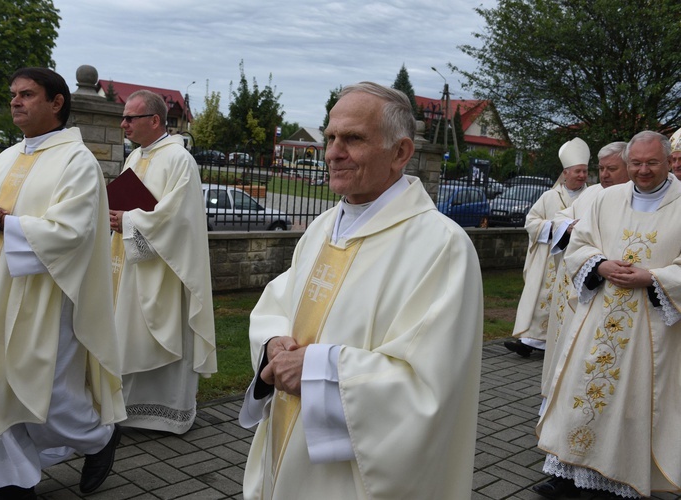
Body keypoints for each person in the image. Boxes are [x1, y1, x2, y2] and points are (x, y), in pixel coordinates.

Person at [238, 82, 483, 500]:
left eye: (352, 138)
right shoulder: (321, 227)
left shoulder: (441, 247)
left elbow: (429, 387)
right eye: (331, 136)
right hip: (288, 441)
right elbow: (279, 303)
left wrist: (317, 372)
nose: (333, 151)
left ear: (400, 153)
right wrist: (274, 343)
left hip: (354, 475)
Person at [0, 67, 125, 499]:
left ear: (56, 103)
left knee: (47, 393)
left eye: (27, 94)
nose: (15, 101)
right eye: (13, 93)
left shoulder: (77, 161)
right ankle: (9, 483)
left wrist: (3, 222)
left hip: (46, 296)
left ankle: (100, 438)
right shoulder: (7, 157)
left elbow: (72, 231)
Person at [536, 131, 681, 499]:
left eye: (652, 163)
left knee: (632, 404)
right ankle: (568, 474)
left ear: (668, 162)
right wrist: (598, 265)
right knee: (580, 393)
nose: (642, 170)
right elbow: (579, 244)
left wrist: (653, 277)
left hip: (650, 328)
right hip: (599, 316)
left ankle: (623, 479)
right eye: (636, 163)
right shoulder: (606, 197)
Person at [110, 89, 216, 434]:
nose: (123, 124)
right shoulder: (134, 158)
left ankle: (168, 413)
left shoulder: (178, 159)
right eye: (123, 117)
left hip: (166, 272)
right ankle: (125, 409)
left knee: (162, 335)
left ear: (154, 120)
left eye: (130, 117)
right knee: (127, 334)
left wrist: (128, 219)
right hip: (131, 267)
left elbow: (178, 219)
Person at [533, 141, 629, 497]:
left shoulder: (644, 203)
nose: (603, 175)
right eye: (599, 169)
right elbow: (567, 231)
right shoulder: (592, 198)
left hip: (623, 318)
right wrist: (575, 237)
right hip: (580, 308)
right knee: (575, 392)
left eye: (611, 168)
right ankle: (567, 471)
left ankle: (610, 478)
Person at [504, 138, 589, 357]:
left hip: (577, 256)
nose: (582, 175)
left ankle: (564, 342)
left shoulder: (593, 197)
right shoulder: (549, 197)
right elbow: (531, 222)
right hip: (548, 258)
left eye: (585, 171)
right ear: (566, 172)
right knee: (542, 297)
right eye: (578, 171)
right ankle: (529, 341)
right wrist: (557, 227)